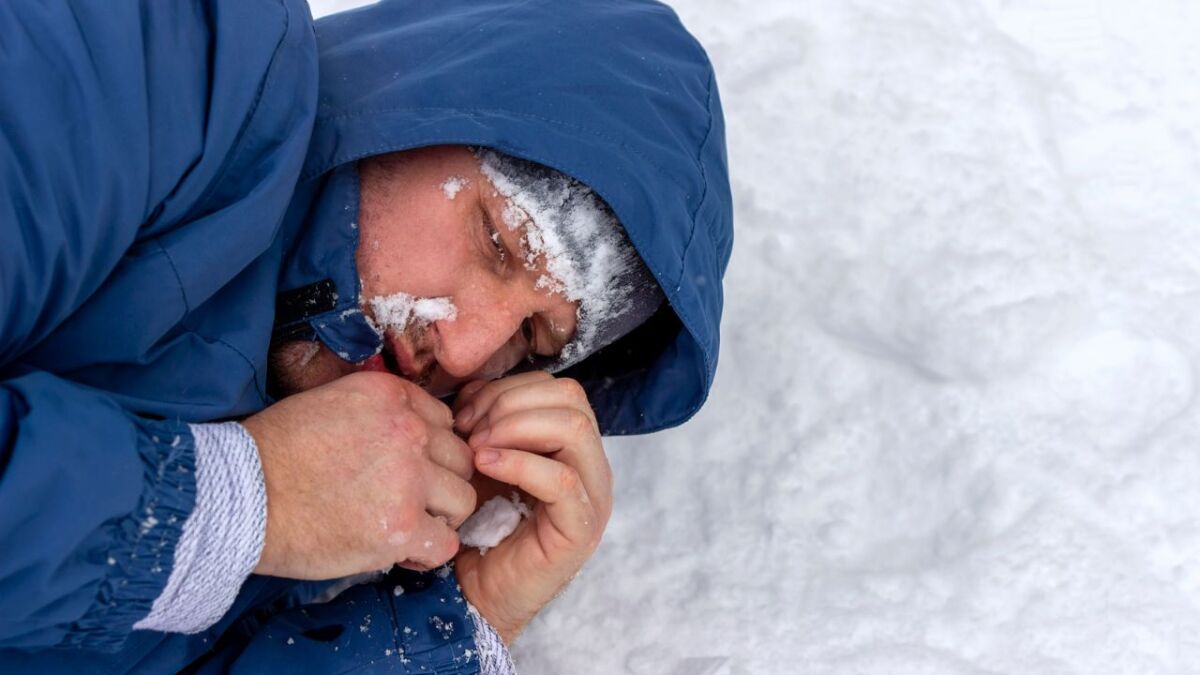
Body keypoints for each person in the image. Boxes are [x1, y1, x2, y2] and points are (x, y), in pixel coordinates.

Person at [0, 0, 731, 673]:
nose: (468, 349)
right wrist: (234, 502)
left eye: (531, 338)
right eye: (498, 241)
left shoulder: (317, 536)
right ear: (417, 103)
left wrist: (462, 616)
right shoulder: (177, 55)